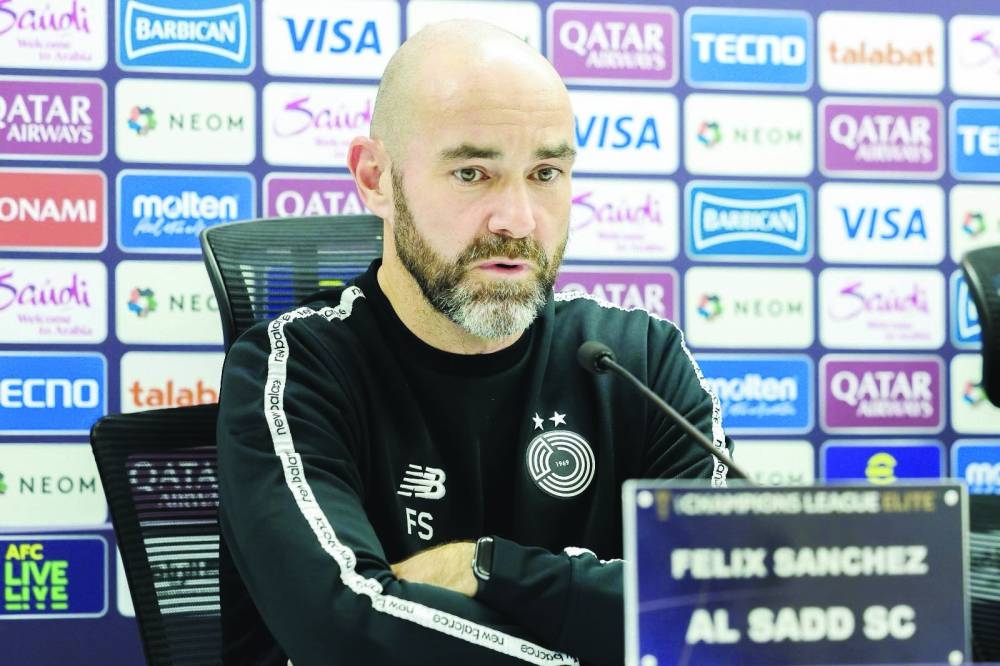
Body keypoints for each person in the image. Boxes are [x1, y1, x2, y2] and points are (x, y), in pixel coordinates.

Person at [216, 19, 729, 666]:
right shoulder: (295, 369)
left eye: (545, 172)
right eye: (471, 173)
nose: (517, 219)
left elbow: (715, 603)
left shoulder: (640, 362)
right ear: (375, 178)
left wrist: (488, 569)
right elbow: (347, 628)